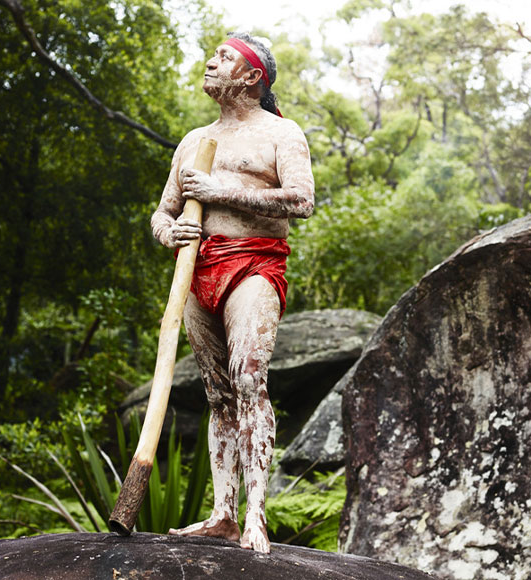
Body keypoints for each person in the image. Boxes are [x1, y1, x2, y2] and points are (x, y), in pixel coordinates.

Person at [150, 32, 315, 554]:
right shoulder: (193, 140)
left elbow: (303, 201)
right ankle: (222, 514)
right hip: (195, 267)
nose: (211, 63)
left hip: (255, 262)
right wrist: (166, 233)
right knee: (217, 392)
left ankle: (255, 515)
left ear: (251, 77)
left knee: (248, 378)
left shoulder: (281, 133)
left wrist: (222, 191)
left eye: (224, 58)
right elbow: (163, 211)